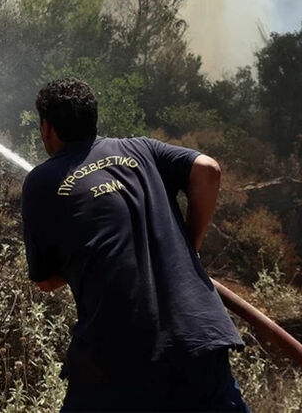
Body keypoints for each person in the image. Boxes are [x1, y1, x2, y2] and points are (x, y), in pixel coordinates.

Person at [21, 78, 249, 412]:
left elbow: (45, 281)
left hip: (115, 359)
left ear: (47, 128)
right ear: (92, 118)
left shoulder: (41, 181)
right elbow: (207, 170)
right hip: (198, 341)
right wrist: (190, 246)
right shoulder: (142, 149)